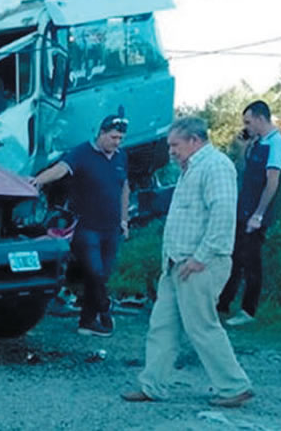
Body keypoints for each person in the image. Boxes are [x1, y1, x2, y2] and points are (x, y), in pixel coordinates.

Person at [122, 117, 253, 408]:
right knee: (162, 326)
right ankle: (153, 385)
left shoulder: (216, 166)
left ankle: (234, 386)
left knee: (202, 327)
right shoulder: (189, 169)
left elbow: (223, 215)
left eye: (175, 145)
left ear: (195, 141)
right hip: (176, 264)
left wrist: (200, 258)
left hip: (200, 264)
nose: (170, 151)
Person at [31, 114, 130, 337]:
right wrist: (39, 180)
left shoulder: (121, 157)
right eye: (114, 137)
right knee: (94, 272)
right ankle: (104, 310)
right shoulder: (82, 152)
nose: (117, 143)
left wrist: (124, 220)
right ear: (101, 134)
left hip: (112, 226)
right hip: (87, 226)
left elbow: (124, 188)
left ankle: (87, 321)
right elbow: (62, 169)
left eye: (121, 139)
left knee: (102, 274)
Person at [218, 100, 281, 326]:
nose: (246, 126)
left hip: (256, 213)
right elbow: (241, 170)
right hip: (243, 209)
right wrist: (242, 149)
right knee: (235, 257)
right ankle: (223, 304)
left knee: (251, 261)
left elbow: (272, 181)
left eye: (249, 122)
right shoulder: (257, 142)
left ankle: (248, 310)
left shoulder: (276, 144)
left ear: (260, 118)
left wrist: (259, 214)